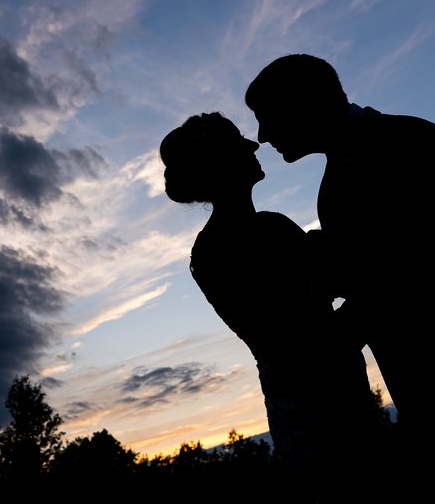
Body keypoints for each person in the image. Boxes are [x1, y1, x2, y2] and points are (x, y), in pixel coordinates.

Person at [245, 54, 435, 499]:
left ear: (305, 103)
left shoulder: (410, 140)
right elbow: (370, 269)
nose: (263, 135)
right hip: (422, 387)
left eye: (267, 117)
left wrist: (329, 336)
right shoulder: (331, 184)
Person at [160, 112, 386, 499]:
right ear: (219, 165)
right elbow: (301, 339)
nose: (253, 147)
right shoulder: (226, 248)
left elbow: (334, 279)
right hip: (317, 406)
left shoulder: (261, 230)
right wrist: (384, 290)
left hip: (323, 393)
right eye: (238, 145)